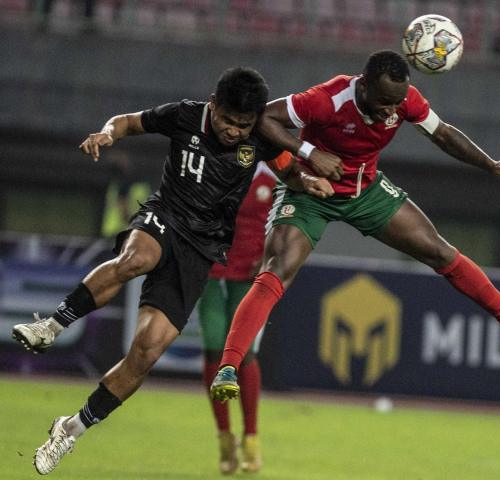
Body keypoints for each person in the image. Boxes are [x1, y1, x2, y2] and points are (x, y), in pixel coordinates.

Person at [11, 66, 333, 476]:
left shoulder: (262, 137)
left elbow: (291, 172)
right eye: (227, 120)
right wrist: (108, 133)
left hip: (201, 251)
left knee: (146, 353)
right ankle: (52, 327)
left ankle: (70, 429)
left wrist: (310, 184)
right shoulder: (184, 115)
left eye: (243, 125)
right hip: (166, 216)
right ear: (213, 106)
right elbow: (128, 122)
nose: (234, 131)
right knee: (137, 259)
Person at [210, 50, 500, 402]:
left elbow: (441, 134)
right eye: (383, 102)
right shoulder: (327, 99)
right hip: (310, 191)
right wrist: (308, 153)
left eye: (396, 105)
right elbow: (264, 119)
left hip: (367, 192)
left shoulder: (404, 100)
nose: (390, 112)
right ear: (363, 86)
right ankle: (229, 367)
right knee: (277, 268)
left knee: (440, 251)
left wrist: (489, 164)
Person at [197, 162, 276, 474]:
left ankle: (252, 438)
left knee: (244, 356)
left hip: (251, 274)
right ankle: (225, 438)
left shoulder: (275, 172)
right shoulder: (217, 162)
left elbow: (283, 222)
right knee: (214, 351)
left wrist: (270, 257)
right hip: (212, 268)